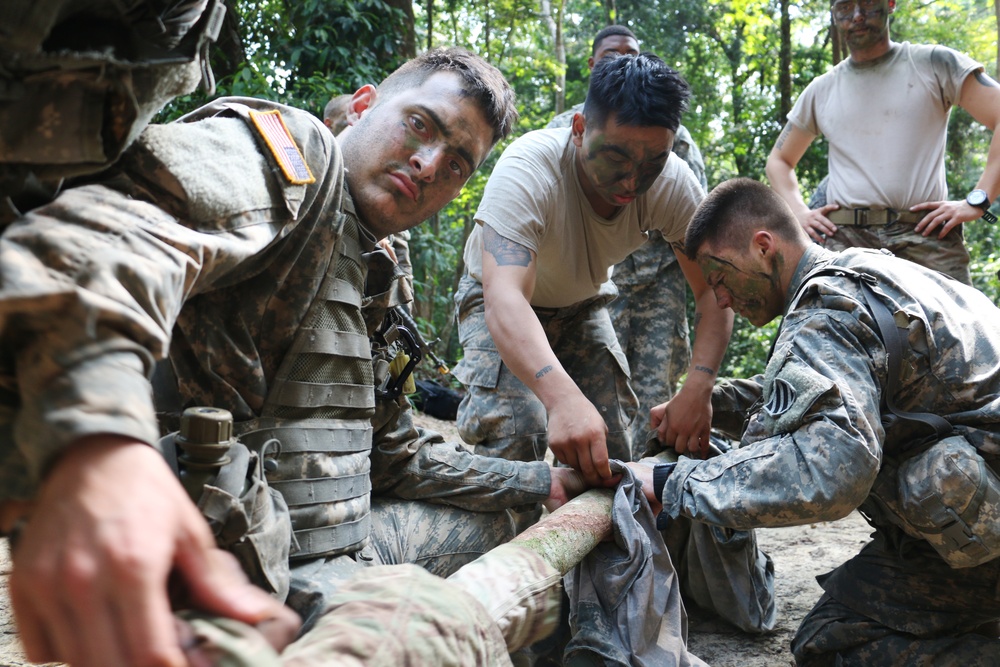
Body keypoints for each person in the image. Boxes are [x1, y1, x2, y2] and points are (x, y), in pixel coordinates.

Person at [0, 47, 584, 667]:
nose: (429, 162)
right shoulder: (294, 156)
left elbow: (393, 457)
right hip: (241, 573)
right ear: (363, 106)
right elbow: (100, 241)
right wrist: (99, 448)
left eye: (458, 162)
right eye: (421, 124)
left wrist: (540, 481)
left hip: (349, 546)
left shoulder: (377, 270)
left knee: (526, 530)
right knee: (434, 627)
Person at [632, 177, 1000, 664]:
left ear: (763, 246)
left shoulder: (824, 310)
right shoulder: (868, 273)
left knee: (831, 645)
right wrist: (713, 403)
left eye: (720, 278)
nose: (719, 300)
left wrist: (672, 481)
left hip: (986, 527)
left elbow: (832, 471)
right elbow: (837, 393)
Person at [453, 52, 733, 488]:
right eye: (616, 157)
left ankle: (605, 551)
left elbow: (715, 293)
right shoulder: (530, 168)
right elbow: (504, 297)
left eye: (651, 163)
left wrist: (699, 386)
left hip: (582, 306)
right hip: (499, 302)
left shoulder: (674, 185)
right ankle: (504, 550)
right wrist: (561, 398)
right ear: (580, 129)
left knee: (611, 444)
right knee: (516, 429)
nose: (631, 181)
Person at [547, 25, 709, 452]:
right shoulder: (562, 132)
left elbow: (695, 226)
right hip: (600, 280)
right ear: (593, 65)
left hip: (662, 281)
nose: (634, 176)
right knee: (603, 390)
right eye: (610, 55)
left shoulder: (673, 142)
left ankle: (640, 484)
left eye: (631, 53)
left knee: (654, 387)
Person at [765, 0, 1000, 286]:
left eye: (866, 4)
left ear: (890, 4)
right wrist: (799, 212)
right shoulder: (821, 90)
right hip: (845, 242)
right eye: (845, 7)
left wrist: (978, 200)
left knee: (964, 327)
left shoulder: (935, 64)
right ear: (834, 13)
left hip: (926, 234)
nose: (857, 16)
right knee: (820, 325)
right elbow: (779, 160)